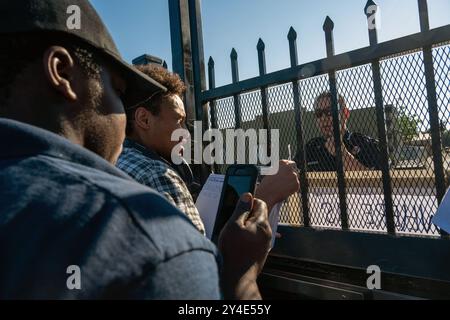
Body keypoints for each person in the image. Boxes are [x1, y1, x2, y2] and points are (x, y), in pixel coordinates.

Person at [0, 0, 271, 300]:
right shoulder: (149, 237)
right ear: (62, 72)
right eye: (117, 90)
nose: (123, 113)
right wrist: (239, 273)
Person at [118, 64, 300, 235]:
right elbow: (203, 263)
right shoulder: (155, 175)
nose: (186, 133)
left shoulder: (116, 162)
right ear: (144, 119)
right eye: (178, 120)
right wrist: (264, 199)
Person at [296, 92, 381, 172]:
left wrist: (343, 155)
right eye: (318, 114)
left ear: (345, 113)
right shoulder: (311, 148)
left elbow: (382, 183)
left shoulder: (365, 144)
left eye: (329, 112)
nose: (323, 118)